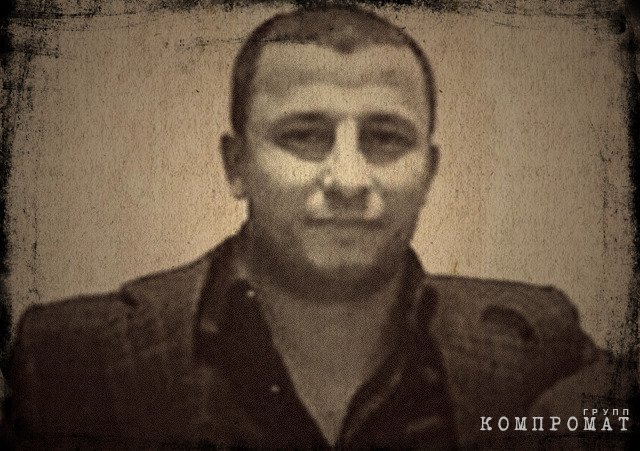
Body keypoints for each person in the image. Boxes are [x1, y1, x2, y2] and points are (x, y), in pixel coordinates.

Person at [3, 5, 637, 449]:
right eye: (304, 135)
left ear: (430, 171)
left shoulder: (537, 349)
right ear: (236, 165)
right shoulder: (74, 362)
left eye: (386, 138)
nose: (348, 179)